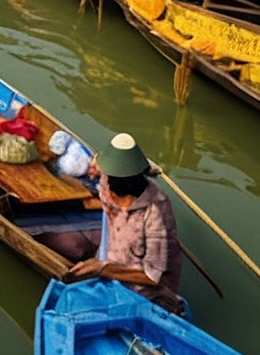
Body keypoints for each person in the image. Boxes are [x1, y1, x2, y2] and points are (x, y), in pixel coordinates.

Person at [56, 133, 184, 313]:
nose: (109, 194)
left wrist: (103, 269)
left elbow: (153, 276)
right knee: (71, 249)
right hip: (112, 261)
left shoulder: (156, 210)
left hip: (144, 292)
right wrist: (100, 263)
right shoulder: (106, 182)